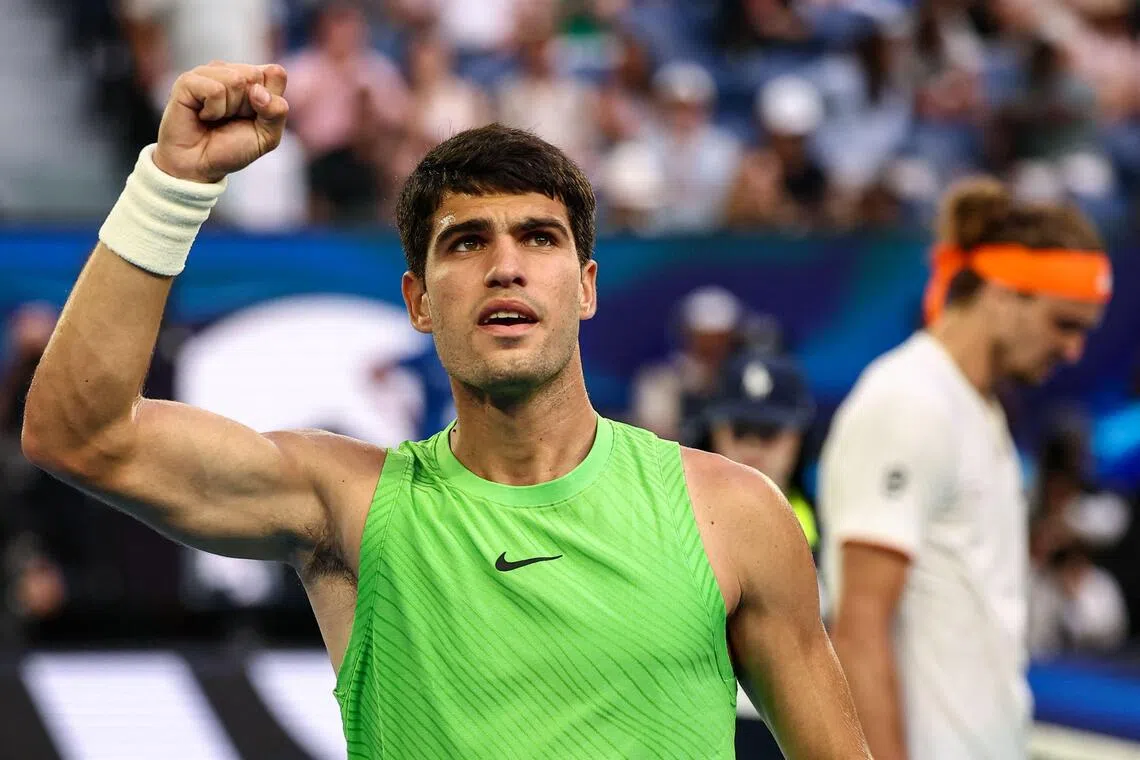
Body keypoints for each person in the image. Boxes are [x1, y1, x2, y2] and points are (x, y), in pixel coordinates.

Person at [21, 62, 870, 758]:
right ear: (419, 301)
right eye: (467, 241)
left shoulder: (733, 513)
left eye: (538, 237)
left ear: (585, 289)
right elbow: (80, 434)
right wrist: (170, 186)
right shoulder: (347, 505)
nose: (506, 267)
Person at [818, 177, 1114, 760]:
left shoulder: (976, 409)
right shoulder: (910, 401)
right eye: (1064, 324)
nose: (1074, 350)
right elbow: (857, 631)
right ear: (1002, 296)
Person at [684, 349, 820, 553]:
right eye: (740, 430)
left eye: (768, 433)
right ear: (713, 433)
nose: (752, 447)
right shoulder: (675, 522)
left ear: (798, 439)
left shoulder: (833, 525)